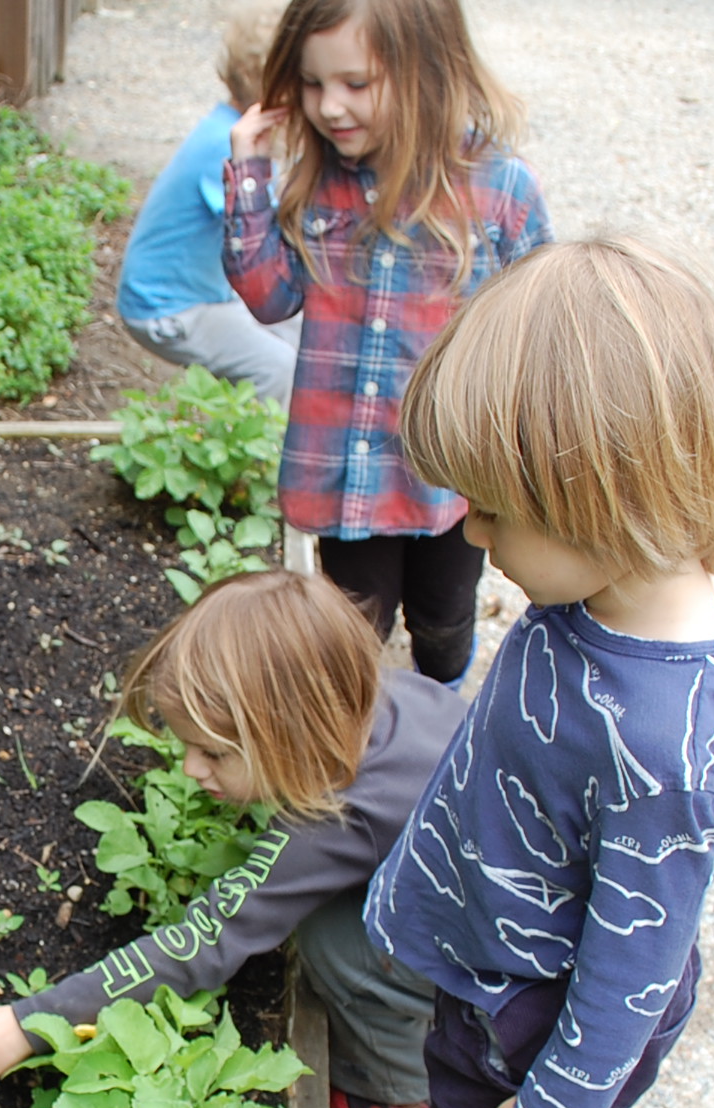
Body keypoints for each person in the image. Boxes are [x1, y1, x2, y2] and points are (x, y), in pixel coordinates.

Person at [337, 237, 714, 1108]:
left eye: (497, 511)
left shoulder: (666, 738)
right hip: (497, 963)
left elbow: (640, 956)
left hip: (542, 1013)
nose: (470, 536)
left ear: (606, 503)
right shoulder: (603, 585)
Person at [0, 568, 466, 1108]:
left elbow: (203, 941)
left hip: (501, 982)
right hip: (508, 910)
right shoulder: (384, 698)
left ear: (297, 734)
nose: (189, 769)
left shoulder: (338, 818)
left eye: (212, 752)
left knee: (332, 943)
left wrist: (28, 1023)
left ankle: (400, 1097)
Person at [223, 0, 551, 682]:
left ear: (428, 70)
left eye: (356, 84)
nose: (329, 107)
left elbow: (542, 329)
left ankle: (441, 732)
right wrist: (249, 168)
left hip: (452, 478)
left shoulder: (498, 188)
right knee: (350, 634)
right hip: (349, 471)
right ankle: (356, 757)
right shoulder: (318, 183)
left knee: (443, 618)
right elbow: (267, 295)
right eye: (312, 85)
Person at [116, 1, 302, 404]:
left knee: (297, 325)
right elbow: (263, 237)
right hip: (169, 309)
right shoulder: (226, 144)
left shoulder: (226, 125)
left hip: (201, 293)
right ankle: (261, 451)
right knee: (275, 367)